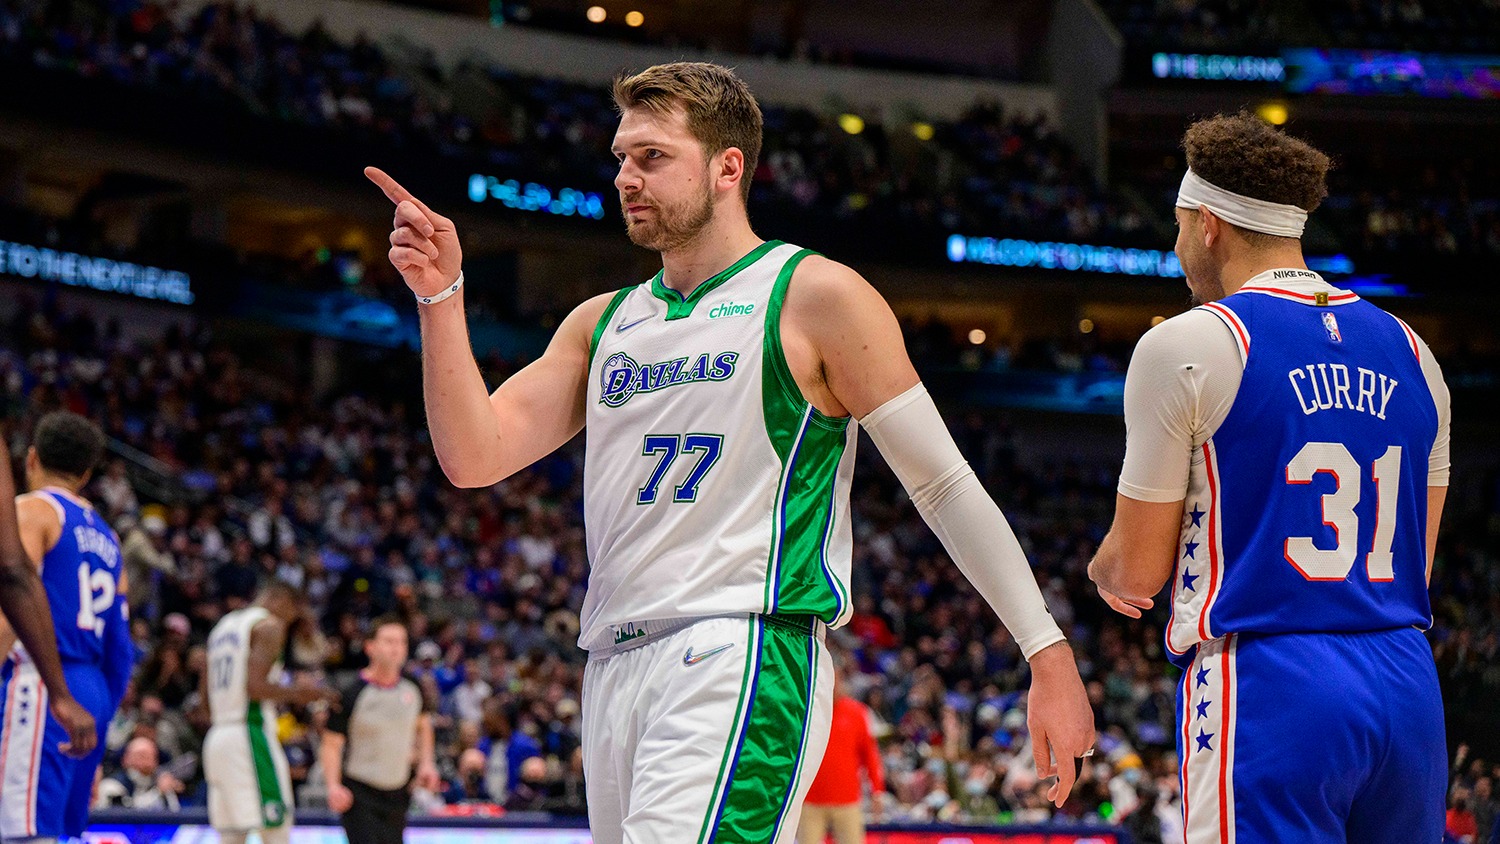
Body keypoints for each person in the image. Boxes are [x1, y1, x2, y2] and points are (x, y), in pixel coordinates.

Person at [367, 60, 1093, 843]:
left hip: (740, 653)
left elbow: (943, 485)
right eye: (620, 158)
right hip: (613, 666)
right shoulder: (601, 322)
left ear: (727, 167)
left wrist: (1044, 650)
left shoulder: (815, 295)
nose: (625, 178)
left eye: (651, 157)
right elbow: (474, 458)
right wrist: (441, 299)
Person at [1088, 113, 1451, 842]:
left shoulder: (1187, 342)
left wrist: (1104, 566)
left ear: (1210, 224)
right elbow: (1420, 558)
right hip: (1408, 679)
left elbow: (1138, 567)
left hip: (1273, 681)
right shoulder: (1416, 352)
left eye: (1180, 224)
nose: (1177, 244)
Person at [0, 411, 131, 841]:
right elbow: (121, 651)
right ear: (87, 473)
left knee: (20, 830)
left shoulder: (32, 510)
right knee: (57, 833)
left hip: (40, 679)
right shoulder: (109, 539)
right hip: (90, 691)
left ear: (31, 458)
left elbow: (12, 597)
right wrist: (98, 720)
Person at [202, 581, 337, 844]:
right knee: (276, 824)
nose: (289, 622)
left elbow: (204, 700)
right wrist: (303, 693)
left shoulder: (222, 628)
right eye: (291, 613)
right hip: (248, 733)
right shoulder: (269, 625)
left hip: (218, 736)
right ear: (279, 599)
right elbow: (256, 687)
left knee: (231, 834)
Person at [321, 616, 440, 844]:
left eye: (401, 642)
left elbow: (424, 727)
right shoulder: (351, 693)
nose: (396, 648)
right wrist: (333, 786)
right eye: (389, 641)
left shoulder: (413, 688)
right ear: (370, 647)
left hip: (399, 792)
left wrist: (426, 763)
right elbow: (331, 744)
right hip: (360, 792)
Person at [797, 657, 884, 844]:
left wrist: (877, 790)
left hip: (847, 799)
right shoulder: (807, 709)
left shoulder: (857, 712)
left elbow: (870, 754)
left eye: (836, 679)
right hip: (810, 798)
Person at [93, 735, 184, 810]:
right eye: (142, 756)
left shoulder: (158, 781)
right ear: (125, 759)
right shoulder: (111, 785)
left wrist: (168, 792)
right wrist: (159, 792)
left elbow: (175, 811)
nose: (147, 762)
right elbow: (124, 816)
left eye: (152, 756)